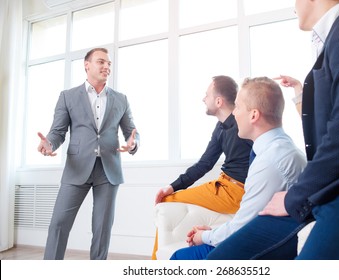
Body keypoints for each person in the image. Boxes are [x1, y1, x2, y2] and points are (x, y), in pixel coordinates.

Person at [207, 0, 339, 260]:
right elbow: (333, 126)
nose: (294, 5)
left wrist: (295, 196)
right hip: (328, 192)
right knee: (220, 260)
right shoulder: (337, 42)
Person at [170, 77, 307, 260]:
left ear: (253, 115)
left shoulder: (268, 162)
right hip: (261, 235)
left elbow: (242, 227)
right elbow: (248, 217)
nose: (234, 114)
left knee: (179, 258)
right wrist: (214, 232)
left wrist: (204, 236)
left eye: (238, 107)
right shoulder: (278, 147)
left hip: (258, 248)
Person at [37, 47, 140, 260]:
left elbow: (132, 131)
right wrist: (49, 145)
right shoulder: (68, 96)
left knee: (102, 230)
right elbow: (58, 132)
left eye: (109, 63)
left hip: (108, 171)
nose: (106, 66)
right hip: (77, 168)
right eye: (101, 62)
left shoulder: (121, 99)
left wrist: (133, 143)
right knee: (58, 224)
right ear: (87, 65)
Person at [152, 75, 253, 259]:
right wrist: (172, 186)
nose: (203, 99)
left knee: (166, 200)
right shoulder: (220, 128)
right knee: (168, 197)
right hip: (223, 184)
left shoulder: (243, 125)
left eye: (207, 95)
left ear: (219, 101)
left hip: (235, 191)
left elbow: (261, 156)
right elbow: (204, 164)